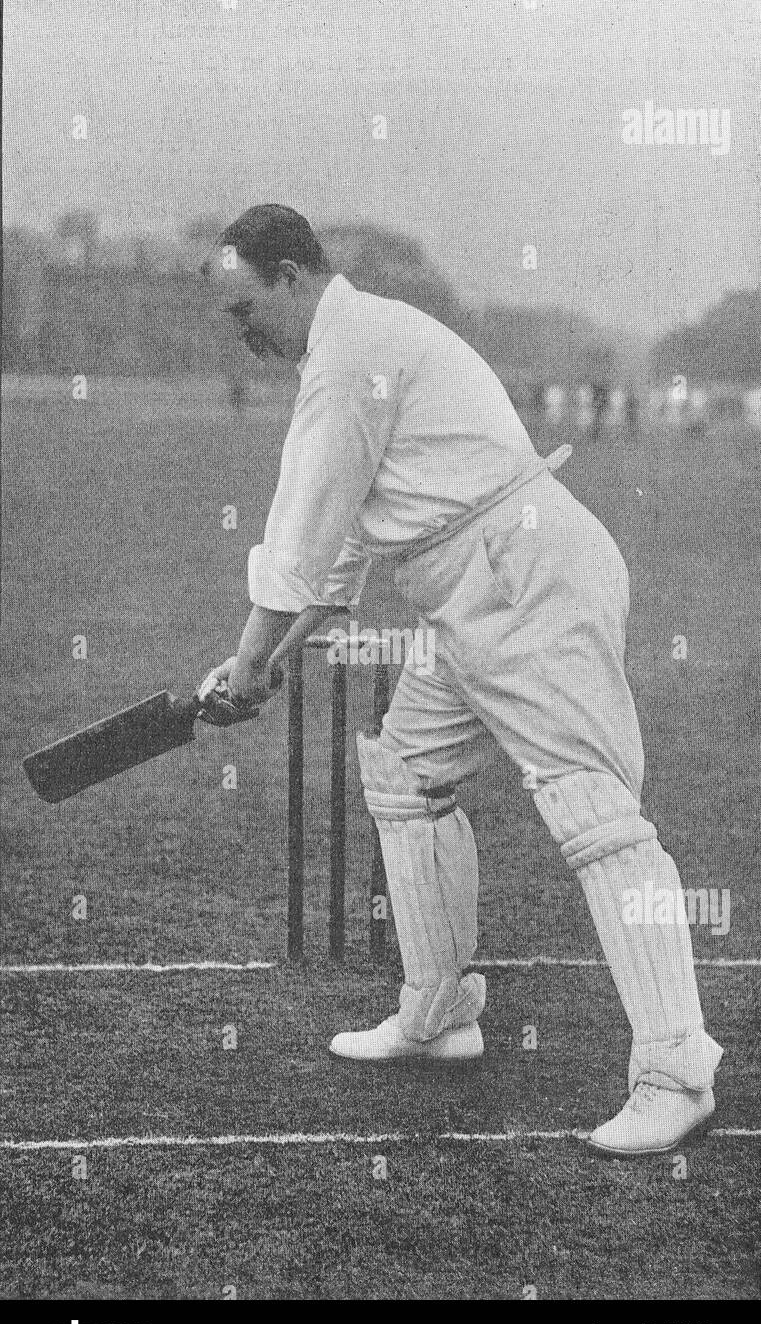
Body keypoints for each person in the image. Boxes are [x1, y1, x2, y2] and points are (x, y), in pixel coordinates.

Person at [199, 204, 722, 1156]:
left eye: (244, 312)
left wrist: (247, 662)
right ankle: (439, 1013)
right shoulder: (359, 344)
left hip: (522, 579)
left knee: (593, 814)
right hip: (469, 594)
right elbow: (350, 544)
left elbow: (301, 534)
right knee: (405, 773)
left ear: (287, 275)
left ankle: (677, 1070)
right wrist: (267, 659)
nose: (244, 336)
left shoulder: (350, 352)